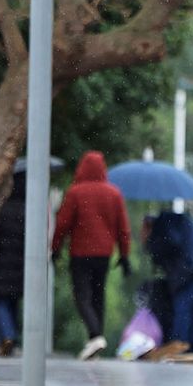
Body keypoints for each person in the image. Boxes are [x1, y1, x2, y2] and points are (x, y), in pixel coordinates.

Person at [51, 150, 131, 360]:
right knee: (98, 296)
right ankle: (96, 339)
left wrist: (55, 248)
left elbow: (63, 223)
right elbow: (123, 226)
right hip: (104, 254)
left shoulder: (76, 192)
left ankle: (95, 336)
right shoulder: (114, 194)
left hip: (80, 252)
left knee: (82, 295)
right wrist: (125, 254)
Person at [145, 204, 193, 352]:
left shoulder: (163, 223)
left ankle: (179, 345)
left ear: (148, 225)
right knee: (190, 308)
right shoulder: (171, 221)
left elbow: (172, 243)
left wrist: (152, 245)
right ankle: (190, 347)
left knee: (183, 307)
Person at [0, 167, 28, 356]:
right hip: (22, 264)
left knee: (1, 300)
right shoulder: (30, 210)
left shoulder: (3, 208)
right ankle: (12, 336)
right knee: (13, 300)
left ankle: (7, 335)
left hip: (2, 261)